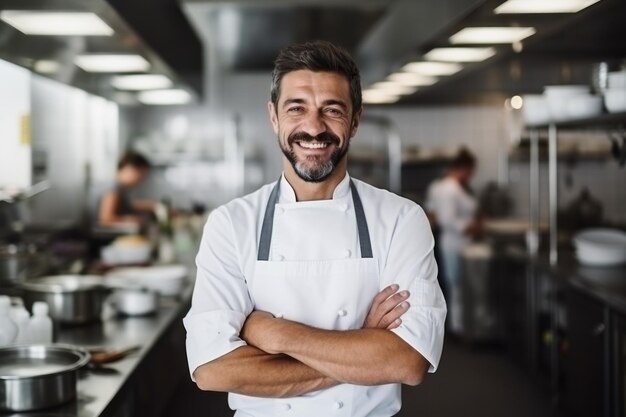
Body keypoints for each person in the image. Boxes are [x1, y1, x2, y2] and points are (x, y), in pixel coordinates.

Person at [183, 41, 446, 417]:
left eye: (332, 110)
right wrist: (363, 347)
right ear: (273, 116)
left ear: (355, 120)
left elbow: (407, 362)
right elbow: (211, 369)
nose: (313, 127)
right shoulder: (231, 224)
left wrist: (275, 334)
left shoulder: (402, 219)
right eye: (296, 108)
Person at [425, 148, 481, 335]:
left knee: (456, 284)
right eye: (471, 170)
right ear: (464, 168)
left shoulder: (447, 186)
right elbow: (445, 219)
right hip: (455, 242)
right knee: (456, 284)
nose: (472, 175)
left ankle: (460, 324)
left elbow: (434, 213)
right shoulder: (449, 189)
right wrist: (469, 227)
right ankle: (458, 326)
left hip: (458, 242)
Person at [98, 151, 154, 228]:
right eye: (141, 175)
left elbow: (129, 205)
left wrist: (152, 206)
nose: (141, 180)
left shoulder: (119, 187)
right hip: (103, 238)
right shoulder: (113, 187)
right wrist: (134, 220)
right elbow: (106, 219)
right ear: (130, 168)